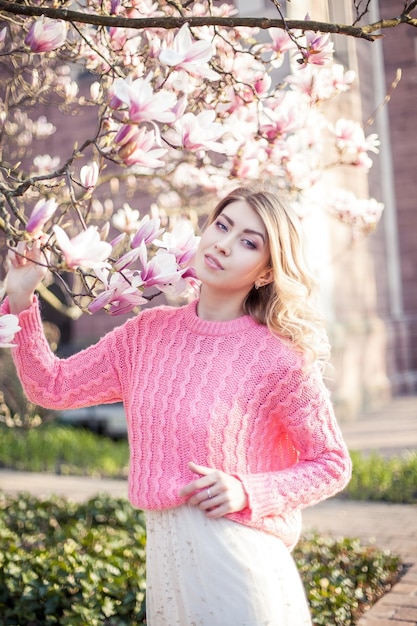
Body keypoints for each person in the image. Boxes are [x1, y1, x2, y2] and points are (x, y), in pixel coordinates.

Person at [2, 186, 352, 626]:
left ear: (265, 272)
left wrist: (249, 490)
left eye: (248, 242)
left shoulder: (279, 358)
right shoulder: (147, 334)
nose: (224, 243)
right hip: (167, 566)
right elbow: (50, 387)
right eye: (222, 226)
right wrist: (20, 298)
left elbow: (332, 463)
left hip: (240, 563)